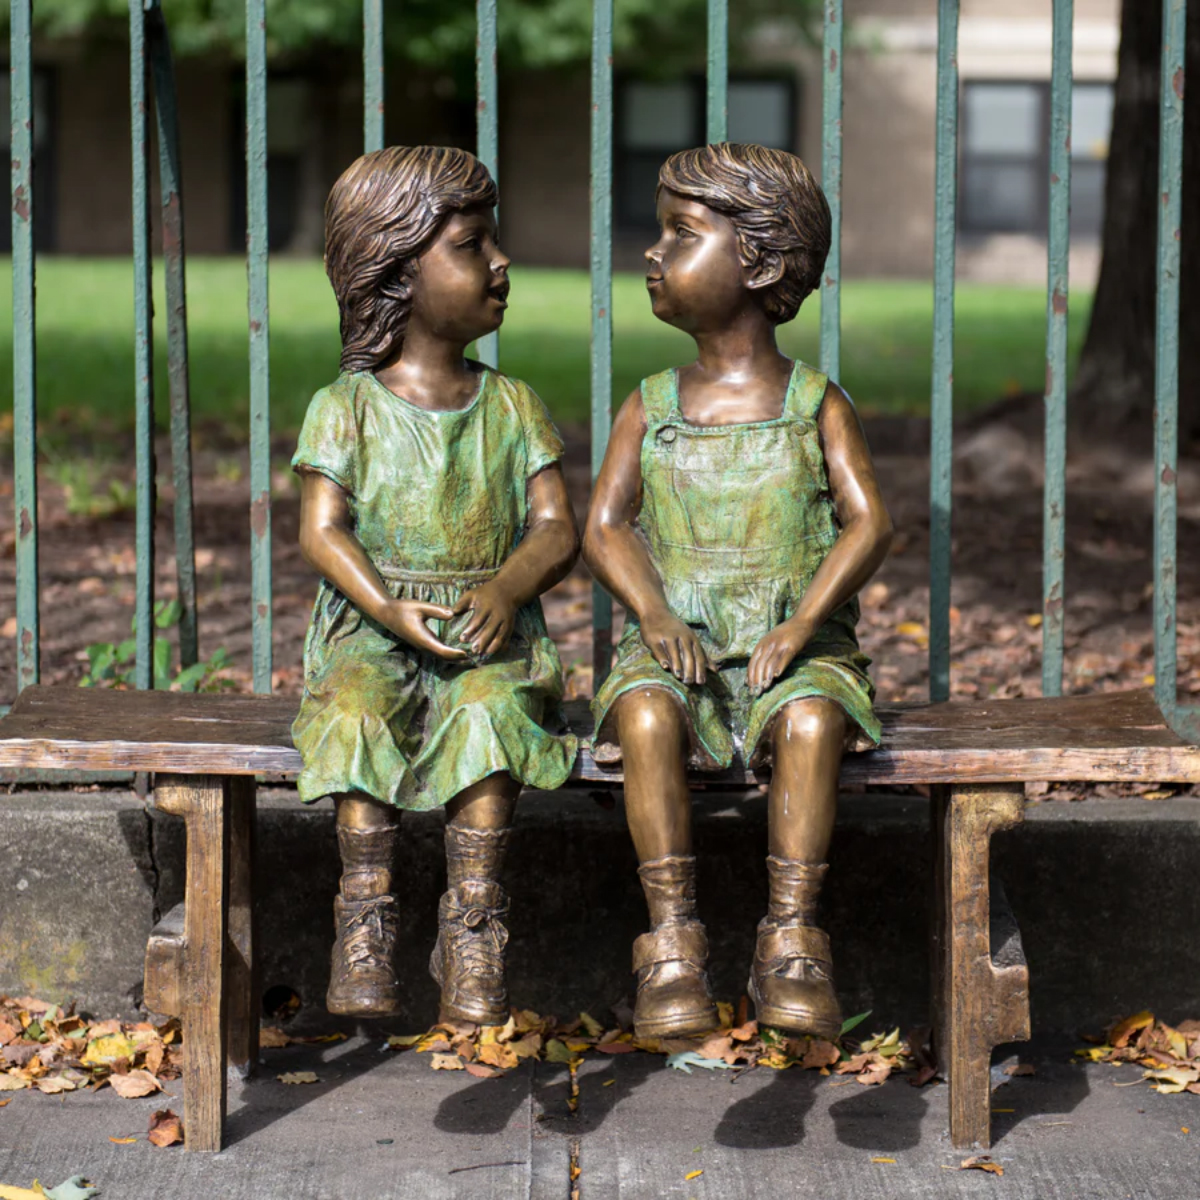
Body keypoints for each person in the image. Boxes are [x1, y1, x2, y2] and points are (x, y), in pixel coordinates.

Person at [584, 143, 892, 1040]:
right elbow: (605, 526)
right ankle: (672, 945)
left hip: (793, 649)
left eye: (681, 232)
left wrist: (803, 618)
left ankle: (792, 941)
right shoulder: (651, 403)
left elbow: (868, 521)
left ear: (758, 262)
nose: (653, 251)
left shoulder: (813, 404)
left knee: (810, 723)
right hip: (676, 639)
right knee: (644, 715)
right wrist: (651, 611)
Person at [292, 145, 579, 1024]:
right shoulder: (346, 406)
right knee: (354, 713)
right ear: (397, 268)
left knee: (489, 717)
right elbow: (323, 528)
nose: (500, 262)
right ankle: (366, 917)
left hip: (486, 631)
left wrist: (505, 590)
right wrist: (383, 604)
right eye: (472, 243)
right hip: (373, 627)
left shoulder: (512, 404)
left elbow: (556, 526)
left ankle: (475, 923)